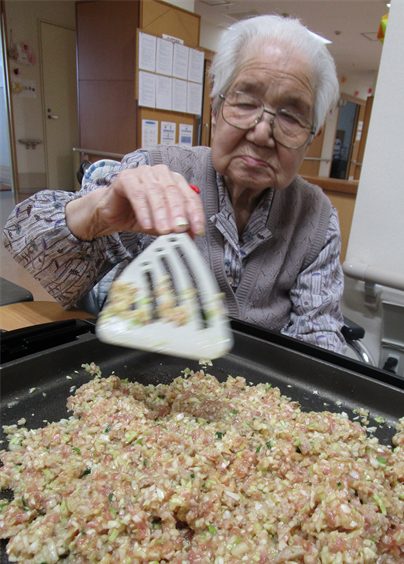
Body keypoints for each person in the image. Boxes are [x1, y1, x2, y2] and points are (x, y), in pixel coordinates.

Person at [3, 15, 346, 353]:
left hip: (251, 395)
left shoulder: (316, 218)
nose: (260, 132)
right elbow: (24, 244)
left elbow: (319, 342)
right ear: (215, 109)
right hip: (138, 381)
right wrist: (97, 213)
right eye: (245, 102)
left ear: (310, 137)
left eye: (290, 116)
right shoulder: (158, 169)